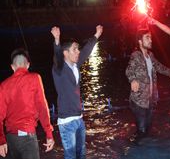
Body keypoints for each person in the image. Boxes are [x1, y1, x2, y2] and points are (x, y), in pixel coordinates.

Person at [51, 25, 103, 159]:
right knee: (70, 156)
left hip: (79, 119)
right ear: (65, 53)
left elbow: (86, 51)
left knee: (82, 155)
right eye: (74, 49)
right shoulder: (59, 69)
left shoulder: (75, 65)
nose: (78, 52)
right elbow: (57, 57)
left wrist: (96, 35)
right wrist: (57, 41)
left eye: (77, 49)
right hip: (67, 122)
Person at [0, 48, 54, 159]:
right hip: (28, 138)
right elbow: (42, 107)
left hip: (11, 139)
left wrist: (1, 140)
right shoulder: (35, 78)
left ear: (12, 67)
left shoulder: (3, 85)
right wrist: (48, 134)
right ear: (28, 65)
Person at [126, 29, 170, 140]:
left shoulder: (150, 55)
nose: (150, 40)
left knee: (148, 128)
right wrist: (133, 80)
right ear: (140, 41)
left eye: (150, 37)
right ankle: (133, 149)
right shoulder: (136, 55)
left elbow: (158, 66)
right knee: (142, 130)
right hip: (139, 101)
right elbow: (129, 70)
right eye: (147, 37)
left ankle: (142, 145)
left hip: (150, 99)